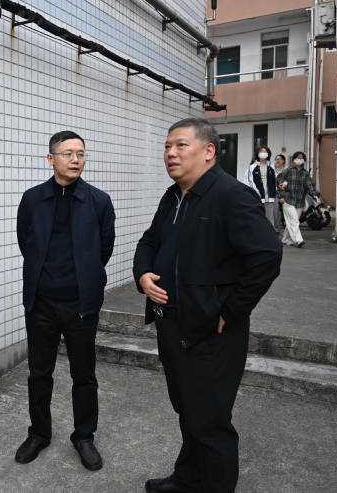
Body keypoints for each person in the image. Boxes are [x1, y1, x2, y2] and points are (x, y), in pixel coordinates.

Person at [133, 118, 282, 493]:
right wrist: (143, 274)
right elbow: (149, 241)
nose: (171, 153)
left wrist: (231, 310)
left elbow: (267, 255)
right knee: (189, 411)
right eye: (167, 146)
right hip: (172, 325)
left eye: (181, 145)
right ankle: (188, 478)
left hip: (210, 331)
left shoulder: (231, 196)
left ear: (209, 151)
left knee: (210, 423)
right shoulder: (173, 196)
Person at [14, 131, 116, 471]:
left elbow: (103, 249)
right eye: (68, 153)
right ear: (51, 158)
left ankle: (84, 436)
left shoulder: (98, 201)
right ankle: (39, 433)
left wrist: (84, 278)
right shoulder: (32, 199)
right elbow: (26, 243)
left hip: (81, 304)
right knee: (39, 373)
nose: (76, 159)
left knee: (84, 374)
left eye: (81, 153)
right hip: (41, 303)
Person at [276, 151, 318, 248]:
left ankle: (286, 239)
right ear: (293, 159)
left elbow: (309, 185)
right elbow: (279, 181)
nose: (299, 159)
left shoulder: (305, 173)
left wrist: (314, 194)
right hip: (288, 199)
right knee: (294, 220)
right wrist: (281, 196)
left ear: (304, 160)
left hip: (299, 200)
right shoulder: (288, 171)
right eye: (297, 158)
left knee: (293, 221)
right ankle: (298, 240)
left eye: (301, 158)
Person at [244, 145, 278, 234]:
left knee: (270, 218)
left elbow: (276, 180)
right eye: (261, 152)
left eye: (265, 152)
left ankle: (270, 235)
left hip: (269, 197)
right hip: (258, 196)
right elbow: (249, 181)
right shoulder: (253, 167)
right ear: (257, 154)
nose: (263, 153)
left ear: (268, 154)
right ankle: (258, 234)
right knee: (258, 216)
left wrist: (277, 190)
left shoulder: (271, 167)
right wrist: (256, 191)